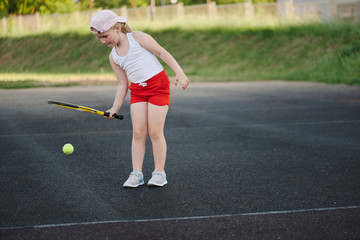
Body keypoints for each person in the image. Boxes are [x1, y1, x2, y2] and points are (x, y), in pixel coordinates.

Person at [90, 10, 189, 188]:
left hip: (158, 86)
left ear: (117, 28)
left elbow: (161, 52)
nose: (104, 41)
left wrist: (179, 72)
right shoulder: (113, 56)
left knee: (155, 132)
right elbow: (122, 84)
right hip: (137, 90)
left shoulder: (138, 37)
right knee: (138, 132)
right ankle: (137, 174)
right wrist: (115, 107)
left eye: (105, 36)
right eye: (100, 38)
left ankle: (160, 173)